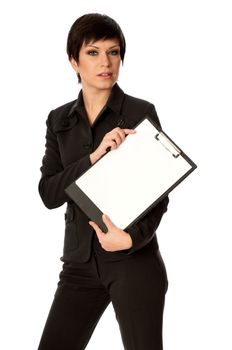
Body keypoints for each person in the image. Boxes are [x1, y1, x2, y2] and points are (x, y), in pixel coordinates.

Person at [38, 13, 169, 350]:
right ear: (74, 61)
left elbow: (160, 193)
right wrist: (94, 157)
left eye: (114, 52)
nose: (106, 62)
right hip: (79, 263)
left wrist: (130, 239)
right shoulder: (58, 121)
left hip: (133, 263)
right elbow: (49, 193)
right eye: (93, 53)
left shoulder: (140, 112)